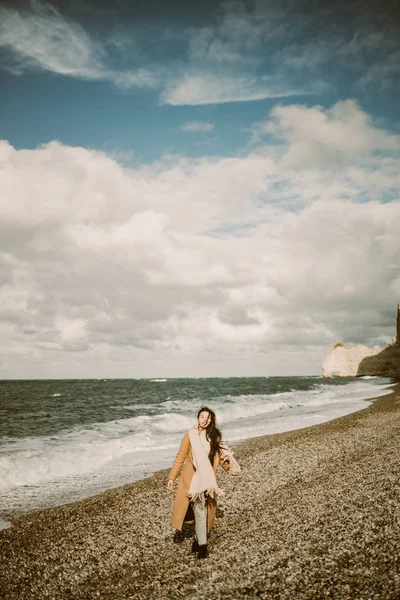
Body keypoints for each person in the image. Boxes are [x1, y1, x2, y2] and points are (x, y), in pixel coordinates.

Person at [167, 406, 241, 559]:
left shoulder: (216, 436)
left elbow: (221, 457)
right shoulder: (190, 435)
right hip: (193, 481)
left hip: (209, 480)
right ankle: (203, 546)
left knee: (206, 513)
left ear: (211, 419)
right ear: (198, 418)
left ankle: (197, 540)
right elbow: (180, 457)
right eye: (202, 417)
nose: (205, 420)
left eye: (208, 417)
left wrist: (231, 469)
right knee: (200, 513)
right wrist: (171, 478)